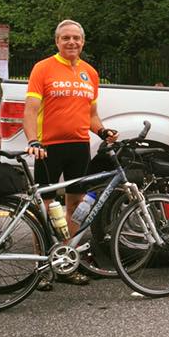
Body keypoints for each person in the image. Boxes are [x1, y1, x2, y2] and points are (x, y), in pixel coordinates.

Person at [24, 20, 117, 287]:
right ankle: (41, 267)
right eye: (66, 38)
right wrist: (33, 140)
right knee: (46, 207)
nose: (71, 42)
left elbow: (91, 115)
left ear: (83, 42)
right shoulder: (43, 68)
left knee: (76, 206)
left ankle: (65, 260)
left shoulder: (90, 73)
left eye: (76, 38)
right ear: (57, 42)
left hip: (78, 146)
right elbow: (30, 110)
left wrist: (102, 132)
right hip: (48, 147)